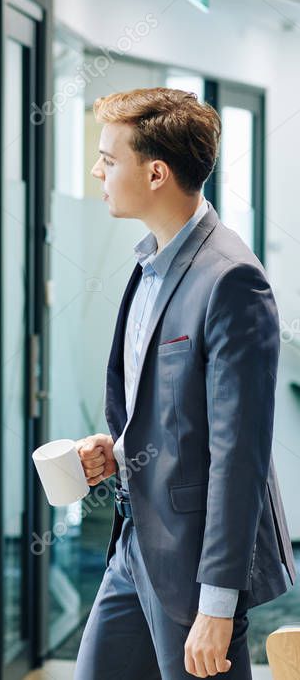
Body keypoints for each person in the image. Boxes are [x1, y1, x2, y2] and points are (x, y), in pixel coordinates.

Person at [74, 88, 296, 679]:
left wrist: (217, 603)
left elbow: (239, 455)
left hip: (195, 563)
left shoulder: (231, 280)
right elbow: (165, 409)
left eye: (108, 158)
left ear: (155, 172)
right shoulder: (151, 262)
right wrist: (116, 451)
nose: (97, 170)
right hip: (135, 543)